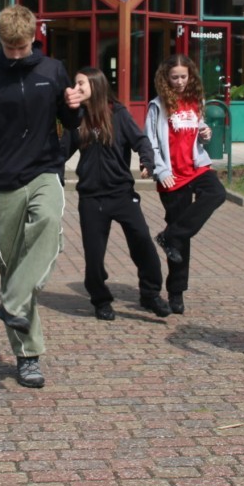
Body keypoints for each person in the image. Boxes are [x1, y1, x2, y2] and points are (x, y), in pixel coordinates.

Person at [0, 4, 82, 388]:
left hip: (44, 169)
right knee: (12, 269)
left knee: (48, 223)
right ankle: (27, 356)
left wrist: (74, 108)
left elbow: (70, 121)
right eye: (8, 48)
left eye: (21, 47)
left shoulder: (52, 71)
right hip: (3, 179)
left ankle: (11, 303)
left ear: (32, 38)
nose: (14, 54)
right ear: (0, 40)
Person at [63, 67, 170, 321]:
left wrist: (147, 161)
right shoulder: (76, 119)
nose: (76, 89)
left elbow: (141, 141)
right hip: (91, 198)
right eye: (75, 84)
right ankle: (101, 300)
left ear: (96, 85)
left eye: (81, 84)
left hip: (122, 194)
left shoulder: (118, 114)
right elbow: (60, 152)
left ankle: (151, 294)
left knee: (142, 242)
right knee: (94, 255)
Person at [145, 54, 226, 316]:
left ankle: (171, 235)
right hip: (171, 175)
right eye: (175, 77)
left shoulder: (195, 101)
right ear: (166, 78)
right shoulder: (157, 106)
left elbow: (196, 132)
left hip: (195, 168)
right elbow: (151, 142)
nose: (180, 82)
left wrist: (206, 133)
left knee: (216, 193)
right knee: (181, 241)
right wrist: (160, 170)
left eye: (184, 77)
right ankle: (176, 291)